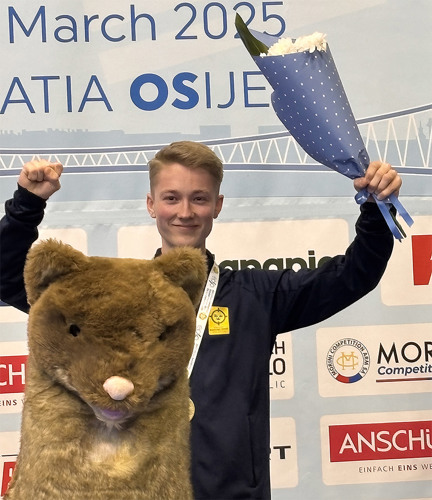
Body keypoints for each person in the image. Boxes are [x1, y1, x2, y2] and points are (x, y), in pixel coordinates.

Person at [0, 141, 401, 500]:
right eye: (171, 198)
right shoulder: (117, 296)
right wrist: (27, 205)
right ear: (151, 204)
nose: (185, 212)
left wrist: (377, 207)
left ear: (217, 205)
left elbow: (352, 276)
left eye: (199, 199)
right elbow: (9, 280)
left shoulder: (256, 296)